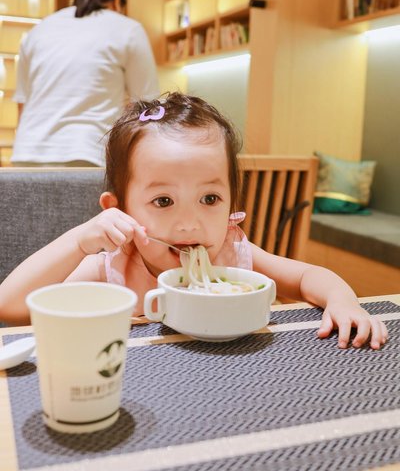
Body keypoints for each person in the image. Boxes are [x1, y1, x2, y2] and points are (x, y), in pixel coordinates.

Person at [0, 92, 388, 349]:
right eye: (163, 201)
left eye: (210, 199)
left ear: (232, 203)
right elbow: (10, 307)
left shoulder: (234, 253)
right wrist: (76, 241)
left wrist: (343, 301)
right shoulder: (116, 268)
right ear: (120, 210)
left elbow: (307, 277)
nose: (190, 224)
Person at [11, 0, 159, 167]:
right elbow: (148, 108)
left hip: (26, 154)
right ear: (117, 1)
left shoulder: (39, 29)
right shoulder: (128, 29)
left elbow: (22, 102)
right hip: (86, 155)